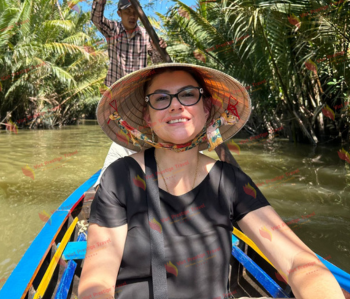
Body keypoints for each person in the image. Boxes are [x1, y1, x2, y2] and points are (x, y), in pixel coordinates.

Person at [78, 63, 346, 299]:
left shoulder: (230, 182)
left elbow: (300, 262)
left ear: (206, 109)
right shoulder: (120, 177)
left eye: (188, 95)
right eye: (161, 98)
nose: (175, 104)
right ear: (147, 117)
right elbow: (97, 283)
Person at [91, 0, 167, 188]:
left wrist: (160, 48)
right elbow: (96, 18)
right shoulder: (113, 30)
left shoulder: (145, 34)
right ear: (120, 14)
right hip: (116, 94)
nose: (131, 16)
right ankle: (111, 179)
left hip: (138, 95)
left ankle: (146, 174)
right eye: (127, 12)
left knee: (141, 134)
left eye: (135, 12)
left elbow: (157, 63)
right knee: (121, 137)